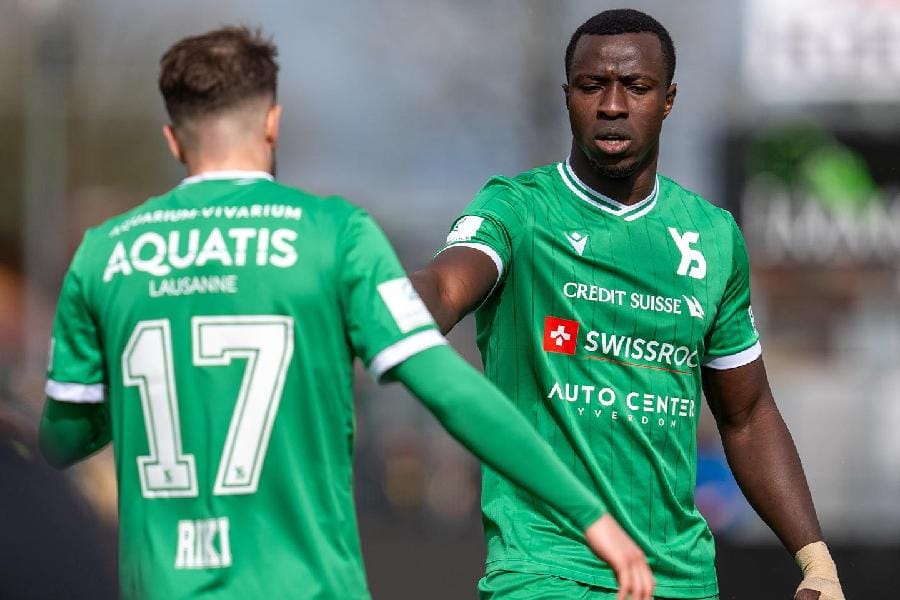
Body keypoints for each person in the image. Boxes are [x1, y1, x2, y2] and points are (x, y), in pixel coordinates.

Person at [38, 27, 654, 600]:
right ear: (272, 124)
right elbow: (449, 390)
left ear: (173, 139)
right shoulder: (332, 237)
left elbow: (61, 440)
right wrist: (590, 514)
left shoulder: (105, 253)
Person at [411, 9, 844, 600]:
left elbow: (747, 416)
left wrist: (816, 562)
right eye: (592, 86)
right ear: (568, 96)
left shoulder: (712, 237)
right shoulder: (518, 209)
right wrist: (379, 309)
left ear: (668, 100)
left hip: (681, 579)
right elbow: (445, 286)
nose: (612, 105)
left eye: (635, 87)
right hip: (546, 572)